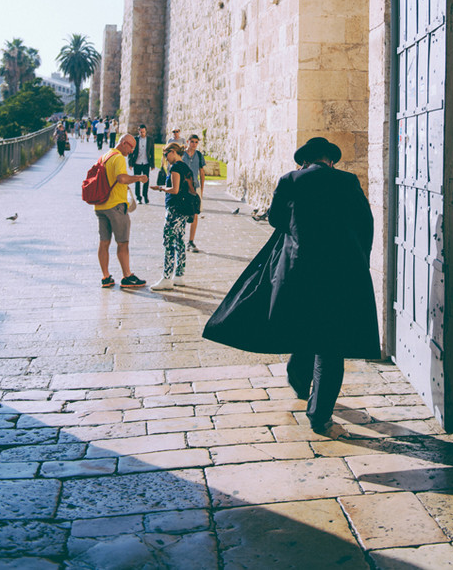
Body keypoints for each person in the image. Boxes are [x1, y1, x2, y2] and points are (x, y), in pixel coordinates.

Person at [203, 136, 380, 434]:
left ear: (304, 161)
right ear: (331, 160)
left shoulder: (291, 180)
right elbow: (365, 222)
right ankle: (320, 414)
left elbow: (275, 220)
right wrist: (358, 256)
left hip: (299, 269)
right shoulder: (348, 181)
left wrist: (299, 231)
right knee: (330, 344)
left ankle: (299, 382)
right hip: (340, 270)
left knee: (306, 325)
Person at [94, 133, 148, 289]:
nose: (132, 152)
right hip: (116, 206)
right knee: (123, 243)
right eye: (131, 147)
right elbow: (121, 178)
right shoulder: (118, 158)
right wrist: (138, 178)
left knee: (104, 242)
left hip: (101, 206)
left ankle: (106, 277)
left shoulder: (105, 156)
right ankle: (127, 276)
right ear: (124, 143)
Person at [150, 143, 192, 290]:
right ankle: (179, 275)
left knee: (168, 242)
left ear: (173, 152)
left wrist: (160, 188)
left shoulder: (175, 168)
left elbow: (174, 190)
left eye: (166, 154)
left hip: (174, 209)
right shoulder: (186, 168)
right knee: (180, 241)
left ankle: (167, 277)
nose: (165, 158)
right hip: (184, 210)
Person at [182, 134, 205, 251]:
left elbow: (202, 172)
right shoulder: (181, 155)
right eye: (192, 141)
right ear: (188, 141)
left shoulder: (199, 155)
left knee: (195, 214)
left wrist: (201, 189)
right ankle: (180, 239)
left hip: (195, 188)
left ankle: (191, 241)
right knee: (182, 214)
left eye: (196, 142)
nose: (194, 144)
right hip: (182, 188)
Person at [127, 124, 155, 204]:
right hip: (137, 163)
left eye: (143, 132)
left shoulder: (150, 139)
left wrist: (152, 165)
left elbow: (152, 153)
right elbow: (130, 153)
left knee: (146, 180)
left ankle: (145, 196)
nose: (142, 133)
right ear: (138, 131)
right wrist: (130, 163)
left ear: (146, 131)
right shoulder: (135, 139)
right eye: (140, 132)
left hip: (146, 163)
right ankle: (138, 197)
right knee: (137, 181)